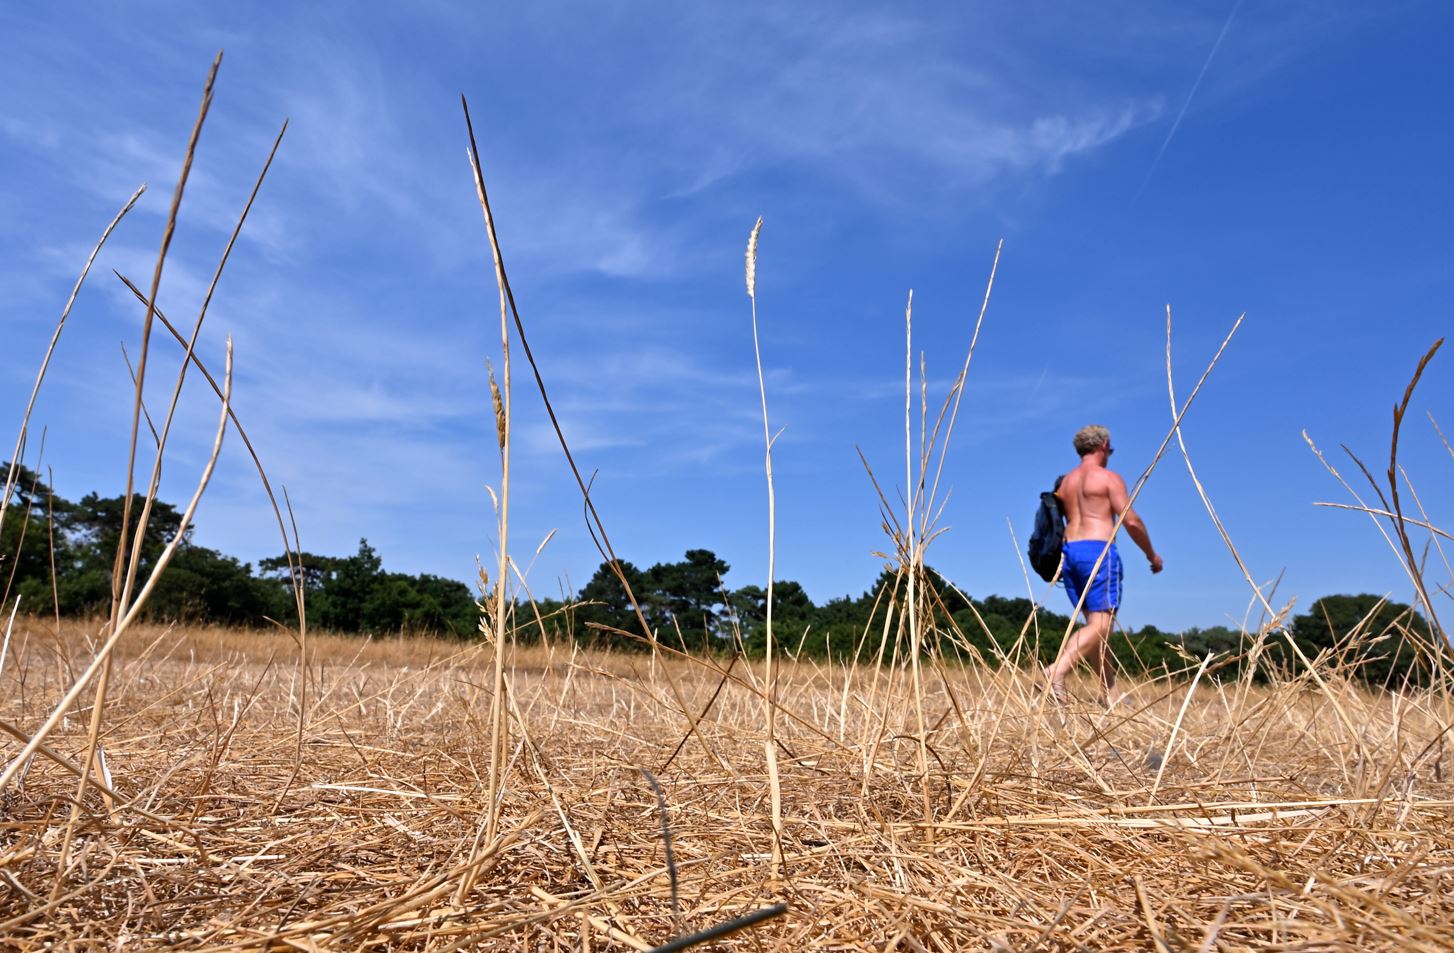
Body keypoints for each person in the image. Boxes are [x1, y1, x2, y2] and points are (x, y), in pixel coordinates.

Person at [1043, 424, 1163, 705]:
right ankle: (1055, 671)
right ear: (1104, 446)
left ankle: (1111, 695)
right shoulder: (1108, 478)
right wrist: (1151, 555)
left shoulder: (1065, 483)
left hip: (1069, 554)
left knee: (1098, 629)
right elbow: (1131, 521)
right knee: (1100, 625)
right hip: (1098, 551)